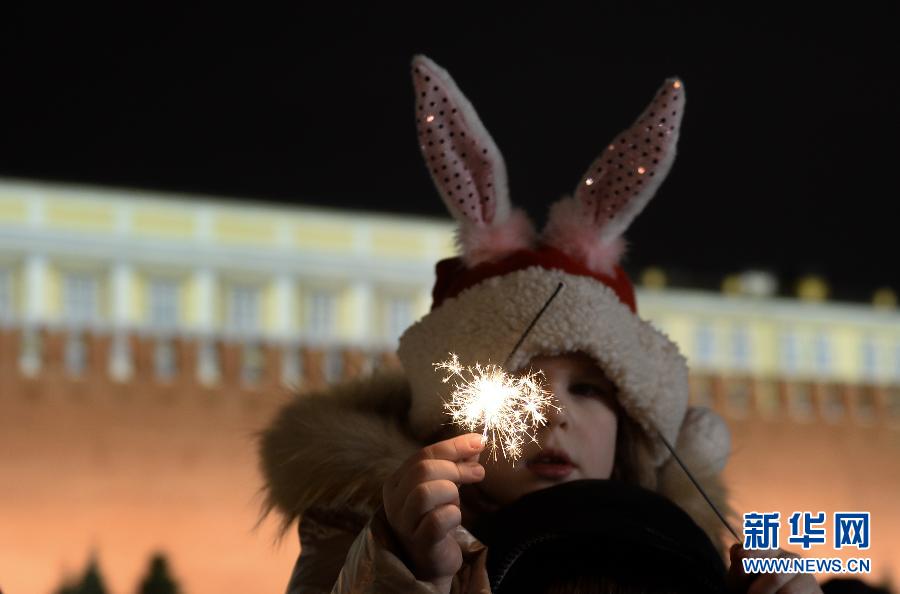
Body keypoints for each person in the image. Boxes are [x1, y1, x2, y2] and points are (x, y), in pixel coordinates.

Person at [258, 55, 823, 593]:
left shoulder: (682, 551)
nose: (551, 415)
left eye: (588, 389)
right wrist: (409, 572)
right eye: (520, 385)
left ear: (631, 425)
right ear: (453, 419)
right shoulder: (357, 532)